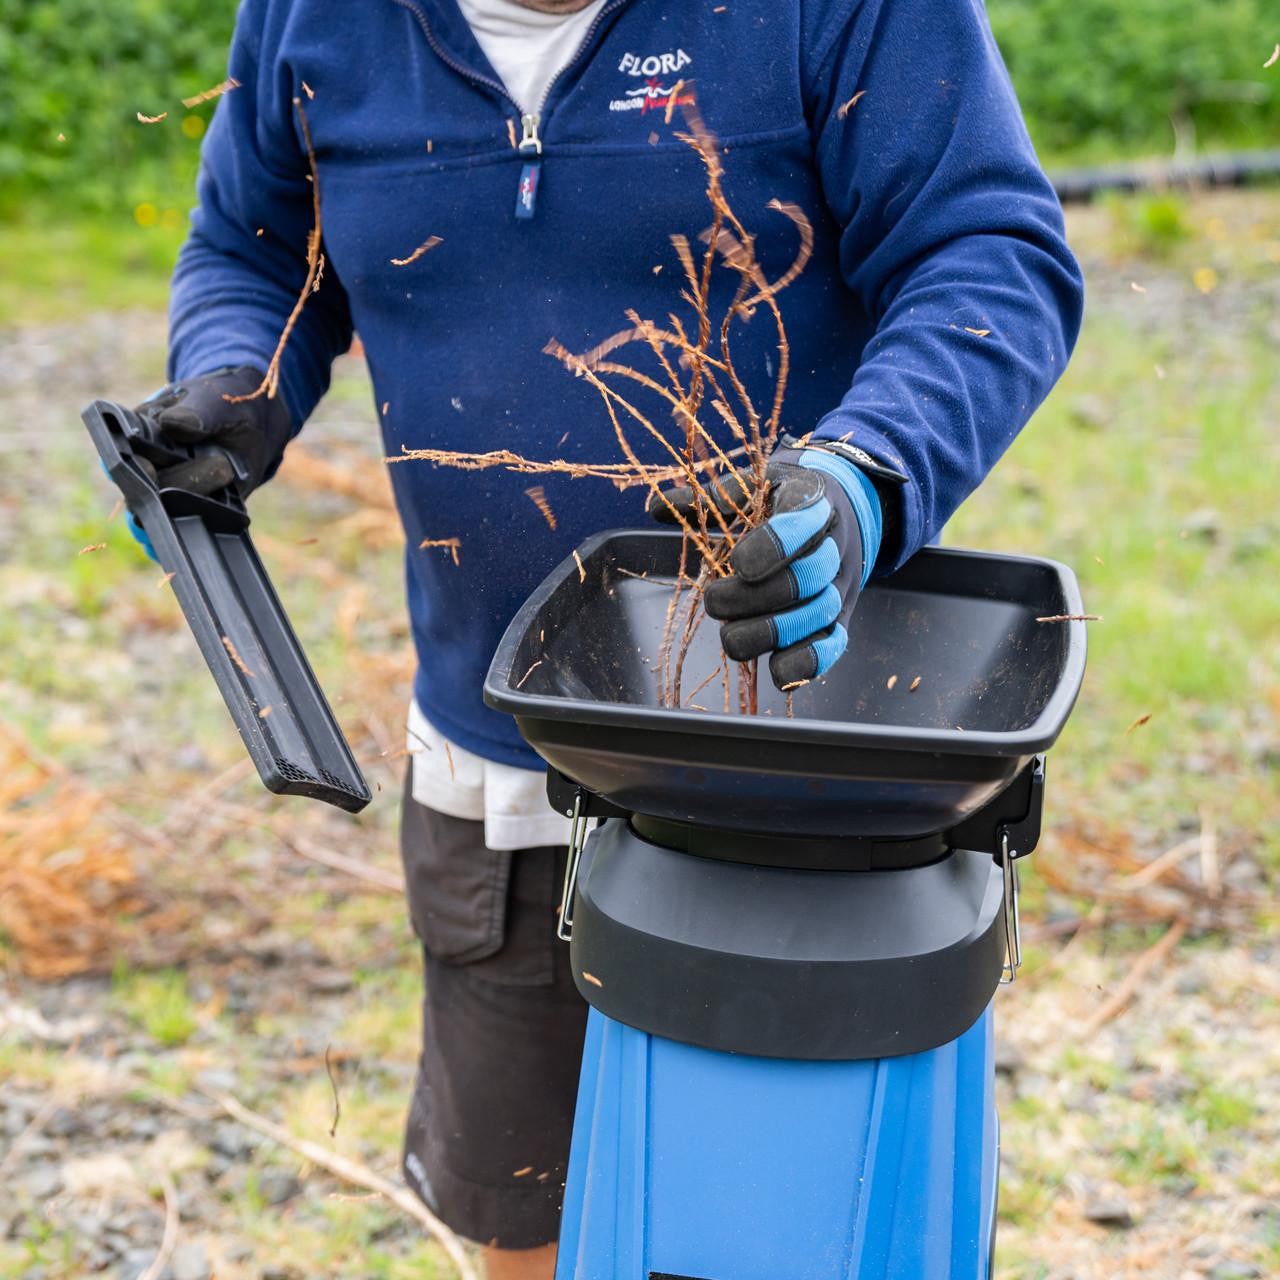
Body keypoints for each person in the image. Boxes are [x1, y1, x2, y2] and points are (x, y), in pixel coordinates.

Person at [123, 0, 1084, 1275]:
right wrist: (234, 383)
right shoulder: (315, 18)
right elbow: (255, 250)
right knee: (520, 1221)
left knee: (781, 1227)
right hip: (499, 752)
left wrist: (863, 473)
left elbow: (988, 253)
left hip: (788, 771)